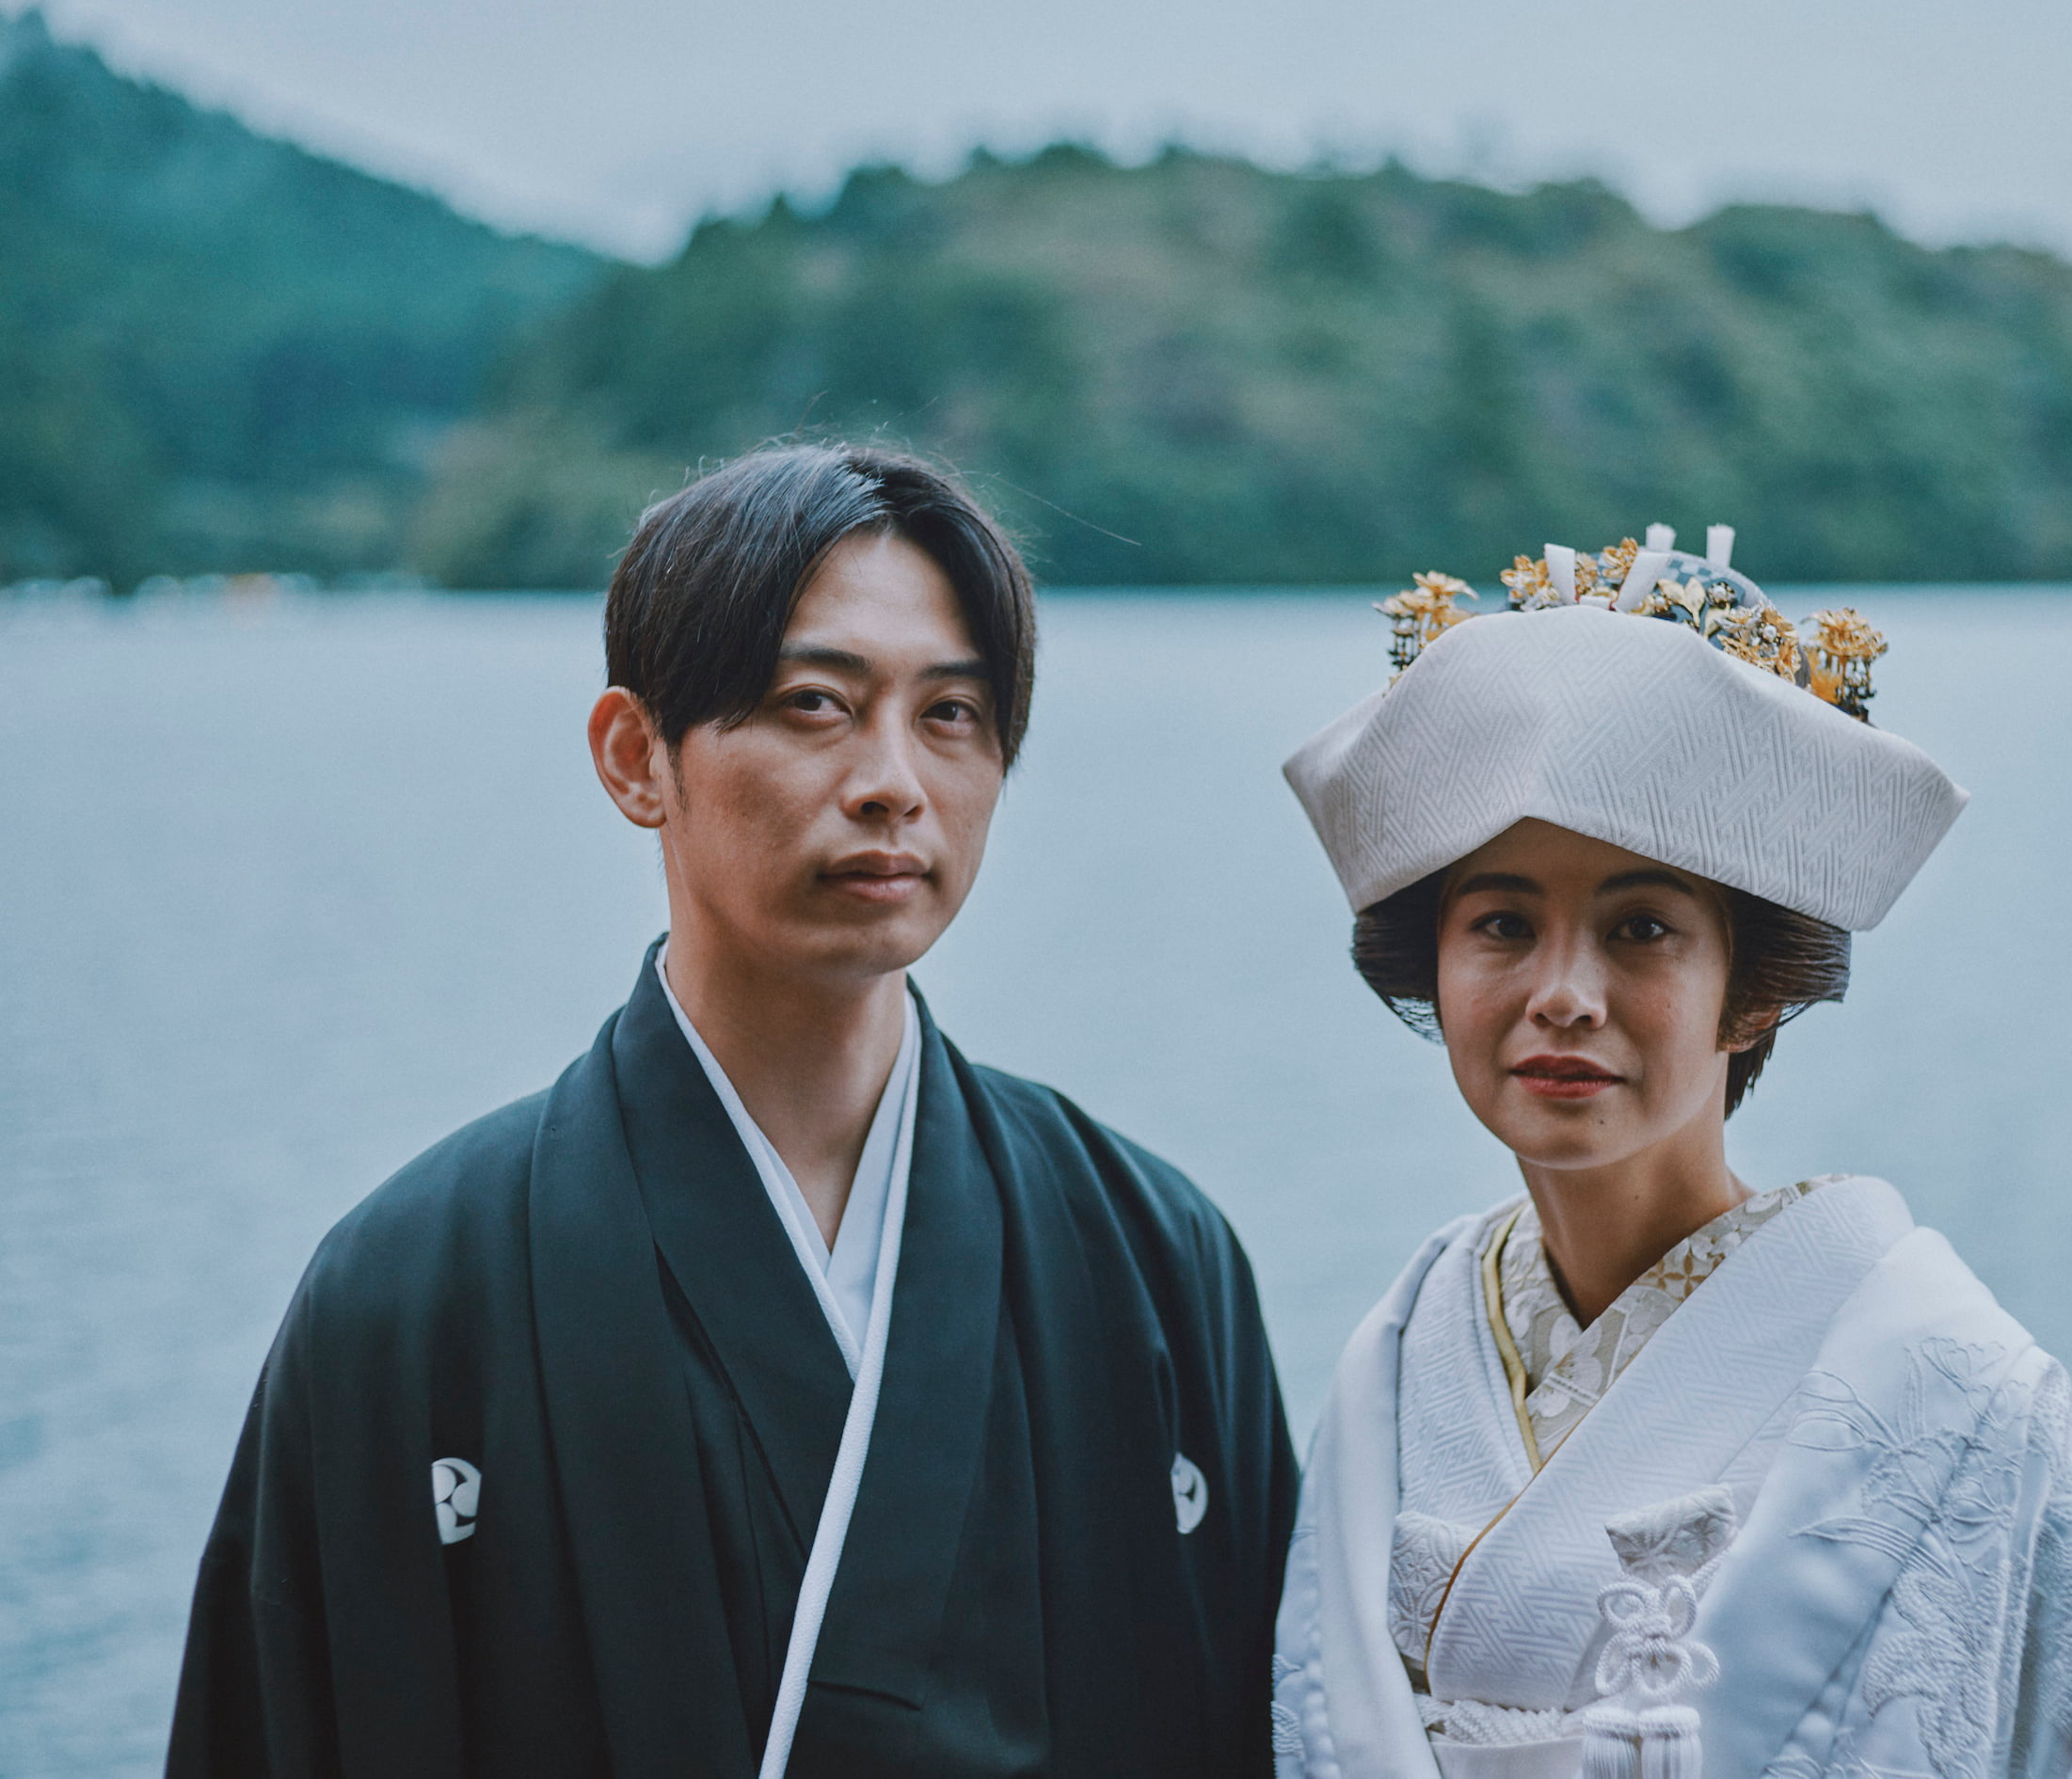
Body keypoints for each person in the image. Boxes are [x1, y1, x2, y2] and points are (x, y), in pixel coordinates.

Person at [169, 444, 1299, 1778]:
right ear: (636, 755)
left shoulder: (1154, 1257)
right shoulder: (411, 1292)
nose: (895, 780)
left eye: (953, 715)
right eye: (817, 703)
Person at [1267, 533, 2072, 1778]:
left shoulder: (1943, 1381)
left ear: (1750, 992)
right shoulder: (1398, 1356)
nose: (1564, 993)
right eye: (1501, 923)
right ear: (1433, 961)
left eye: (1641, 927)